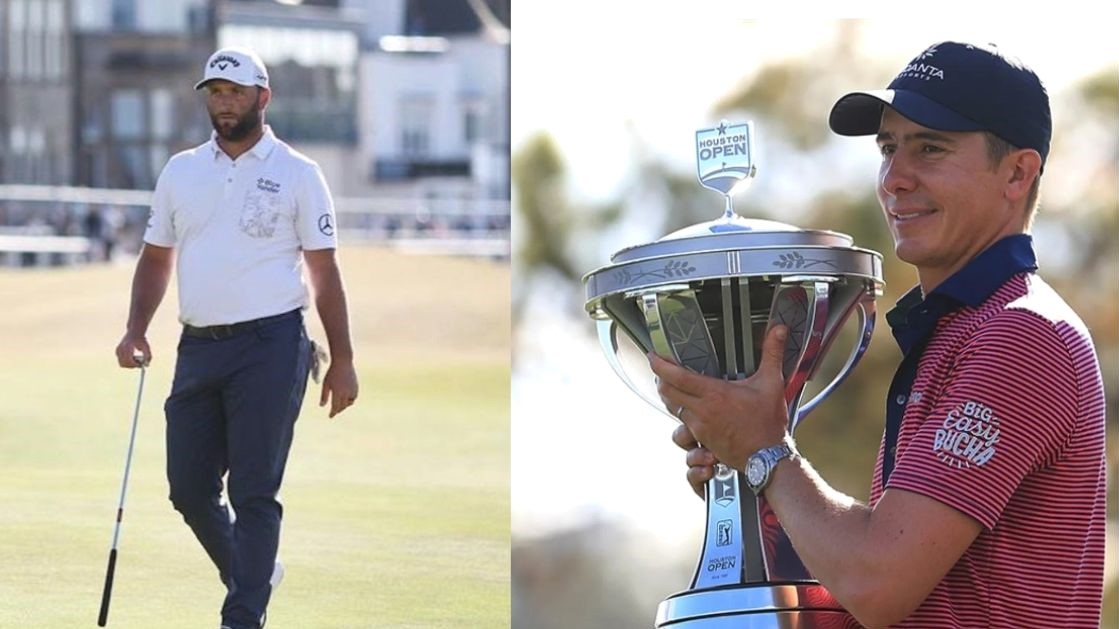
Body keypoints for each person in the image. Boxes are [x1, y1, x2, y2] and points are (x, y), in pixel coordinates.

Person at [651, 41, 1105, 628]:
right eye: (888, 149)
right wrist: (754, 485)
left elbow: (876, 582)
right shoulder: (963, 330)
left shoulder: (1021, 337)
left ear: (1017, 173)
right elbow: (880, 575)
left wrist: (767, 453)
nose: (895, 179)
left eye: (930, 149)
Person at [114, 46, 359, 629]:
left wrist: (344, 358)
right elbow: (155, 258)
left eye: (236, 93)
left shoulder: (300, 174)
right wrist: (134, 328)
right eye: (215, 93)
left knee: (253, 491)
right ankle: (254, 574)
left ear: (262, 98)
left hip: (272, 346)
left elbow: (324, 273)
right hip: (198, 346)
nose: (224, 103)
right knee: (189, 489)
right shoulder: (182, 170)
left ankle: (242, 616)